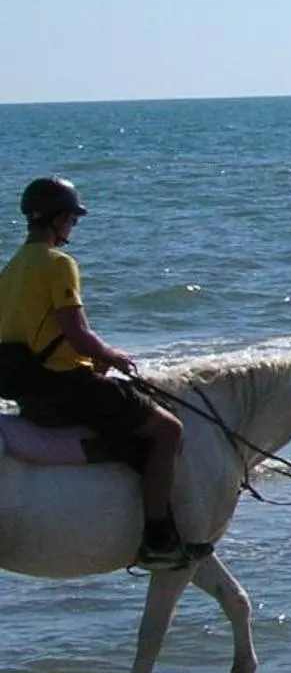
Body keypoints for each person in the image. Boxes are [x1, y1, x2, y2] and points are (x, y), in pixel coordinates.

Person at [0, 177, 190, 566]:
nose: (72, 228)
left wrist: (88, 356)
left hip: (31, 395)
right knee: (169, 430)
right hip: (68, 389)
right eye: (72, 219)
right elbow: (77, 332)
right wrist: (113, 356)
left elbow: (32, 336)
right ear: (58, 219)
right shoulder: (59, 264)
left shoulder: (11, 270)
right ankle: (157, 537)